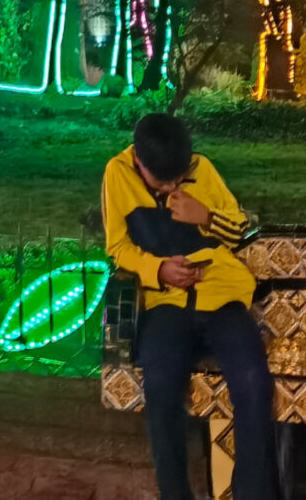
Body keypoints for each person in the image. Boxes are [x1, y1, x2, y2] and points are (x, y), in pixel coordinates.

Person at [104, 112, 277, 500]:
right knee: (161, 387)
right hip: (165, 305)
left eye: (180, 176)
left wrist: (206, 217)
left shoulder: (203, 169)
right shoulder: (117, 175)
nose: (174, 184)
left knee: (253, 382)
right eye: (163, 181)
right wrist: (159, 269)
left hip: (220, 297)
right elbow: (118, 247)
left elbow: (239, 230)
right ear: (139, 163)